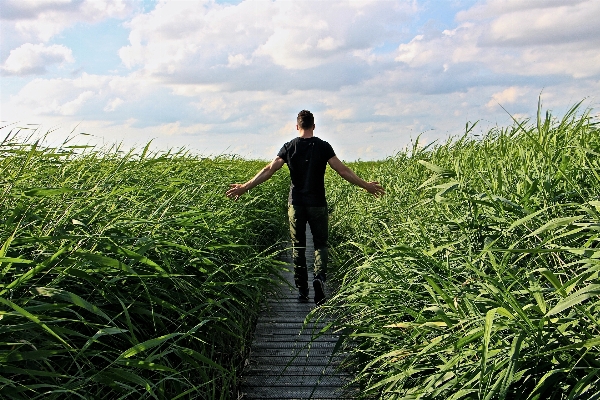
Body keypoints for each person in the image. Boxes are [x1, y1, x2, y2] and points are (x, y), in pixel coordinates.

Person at [226, 110, 385, 305]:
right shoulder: (323, 147)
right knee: (320, 244)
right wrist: (366, 186)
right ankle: (319, 278)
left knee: (298, 246)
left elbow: (269, 170)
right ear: (314, 126)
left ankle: (302, 290)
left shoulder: (289, 147)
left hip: (296, 204)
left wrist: (244, 187)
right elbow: (343, 170)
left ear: (297, 126)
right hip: (317, 203)